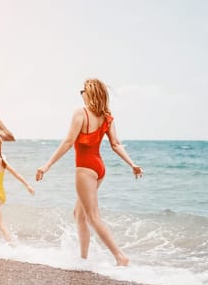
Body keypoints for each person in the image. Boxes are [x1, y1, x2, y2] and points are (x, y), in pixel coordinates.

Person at [35, 78, 143, 266]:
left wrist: (47, 165)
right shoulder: (107, 117)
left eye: (82, 90)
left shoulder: (81, 113)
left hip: (85, 168)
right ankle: (83, 258)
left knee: (93, 216)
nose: (81, 94)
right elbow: (116, 144)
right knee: (79, 214)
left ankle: (120, 256)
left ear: (90, 93)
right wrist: (132, 164)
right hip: (99, 168)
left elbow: (68, 143)